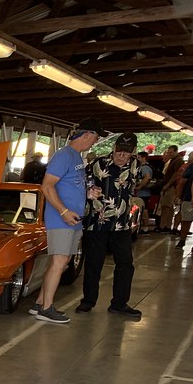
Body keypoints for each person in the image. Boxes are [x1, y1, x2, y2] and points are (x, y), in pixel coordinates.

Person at [31, 117, 106, 324]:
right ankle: (46, 309)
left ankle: (40, 302)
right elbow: (47, 186)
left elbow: (69, 185)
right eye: (95, 138)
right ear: (87, 134)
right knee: (60, 261)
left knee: (61, 263)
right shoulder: (64, 155)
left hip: (72, 220)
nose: (95, 142)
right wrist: (63, 211)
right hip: (61, 219)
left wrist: (88, 193)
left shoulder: (76, 158)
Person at [75, 132, 143, 320]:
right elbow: (81, 182)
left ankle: (119, 304)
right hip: (97, 223)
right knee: (93, 264)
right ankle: (88, 301)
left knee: (125, 264)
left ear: (133, 152)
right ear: (114, 148)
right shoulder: (98, 163)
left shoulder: (136, 165)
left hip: (121, 225)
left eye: (126, 152)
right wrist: (89, 190)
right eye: (119, 150)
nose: (122, 155)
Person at [155, 145, 181, 232]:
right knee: (168, 207)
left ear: (176, 151)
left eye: (171, 152)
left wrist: (168, 185)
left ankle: (163, 226)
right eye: (168, 152)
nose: (169, 154)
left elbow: (176, 174)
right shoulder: (173, 160)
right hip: (169, 186)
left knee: (166, 207)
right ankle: (166, 225)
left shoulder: (178, 161)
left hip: (171, 187)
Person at [176, 151, 193, 249]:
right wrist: (179, 195)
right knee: (186, 220)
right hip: (188, 197)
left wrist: (178, 195)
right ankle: (182, 240)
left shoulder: (191, 167)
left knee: (186, 220)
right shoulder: (191, 167)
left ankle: (182, 240)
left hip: (188, 198)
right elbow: (183, 182)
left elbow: (182, 182)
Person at [133, 150, 154, 231]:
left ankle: (145, 228)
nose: (137, 159)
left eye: (139, 158)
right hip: (143, 193)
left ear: (144, 158)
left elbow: (147, 177)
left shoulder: (144, 167)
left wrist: (140, 186)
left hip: (143, 193)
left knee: (144, 210)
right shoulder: (143, 167)